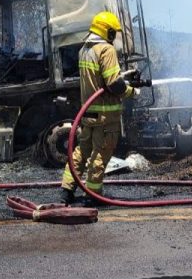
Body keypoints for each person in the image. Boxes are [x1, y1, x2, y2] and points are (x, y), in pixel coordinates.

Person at [60, 10, 146, 206]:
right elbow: (114, 85)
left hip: (88, 113)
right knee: (100, 155)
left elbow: (100, 78)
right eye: (113, 32)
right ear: (107, 31)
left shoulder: (85, 49)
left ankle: (66, 190)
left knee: (81, 153)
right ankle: (93, 195)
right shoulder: (106, 50)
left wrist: (123, 76)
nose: (114, 37)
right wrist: (132, 92)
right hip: (106, 117)